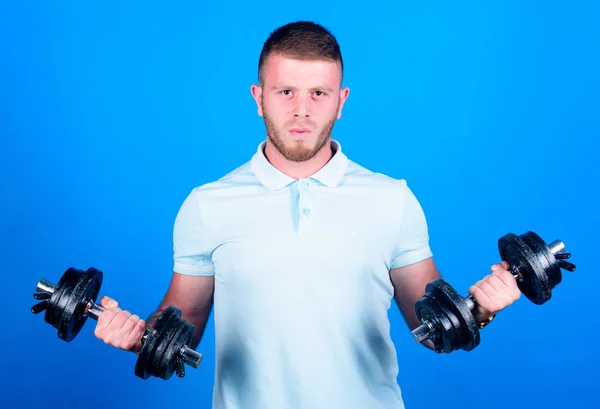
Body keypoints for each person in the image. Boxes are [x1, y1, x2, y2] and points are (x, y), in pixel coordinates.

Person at [94, 21, 521, 409]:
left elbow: (436, 329)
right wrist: (136, 338)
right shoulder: (207, 204)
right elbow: (179, 329)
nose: (302, 110)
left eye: (319, 92)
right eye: (285, 92)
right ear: (259, 98)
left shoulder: (392, 199)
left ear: (341, 101)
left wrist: (483, 307)